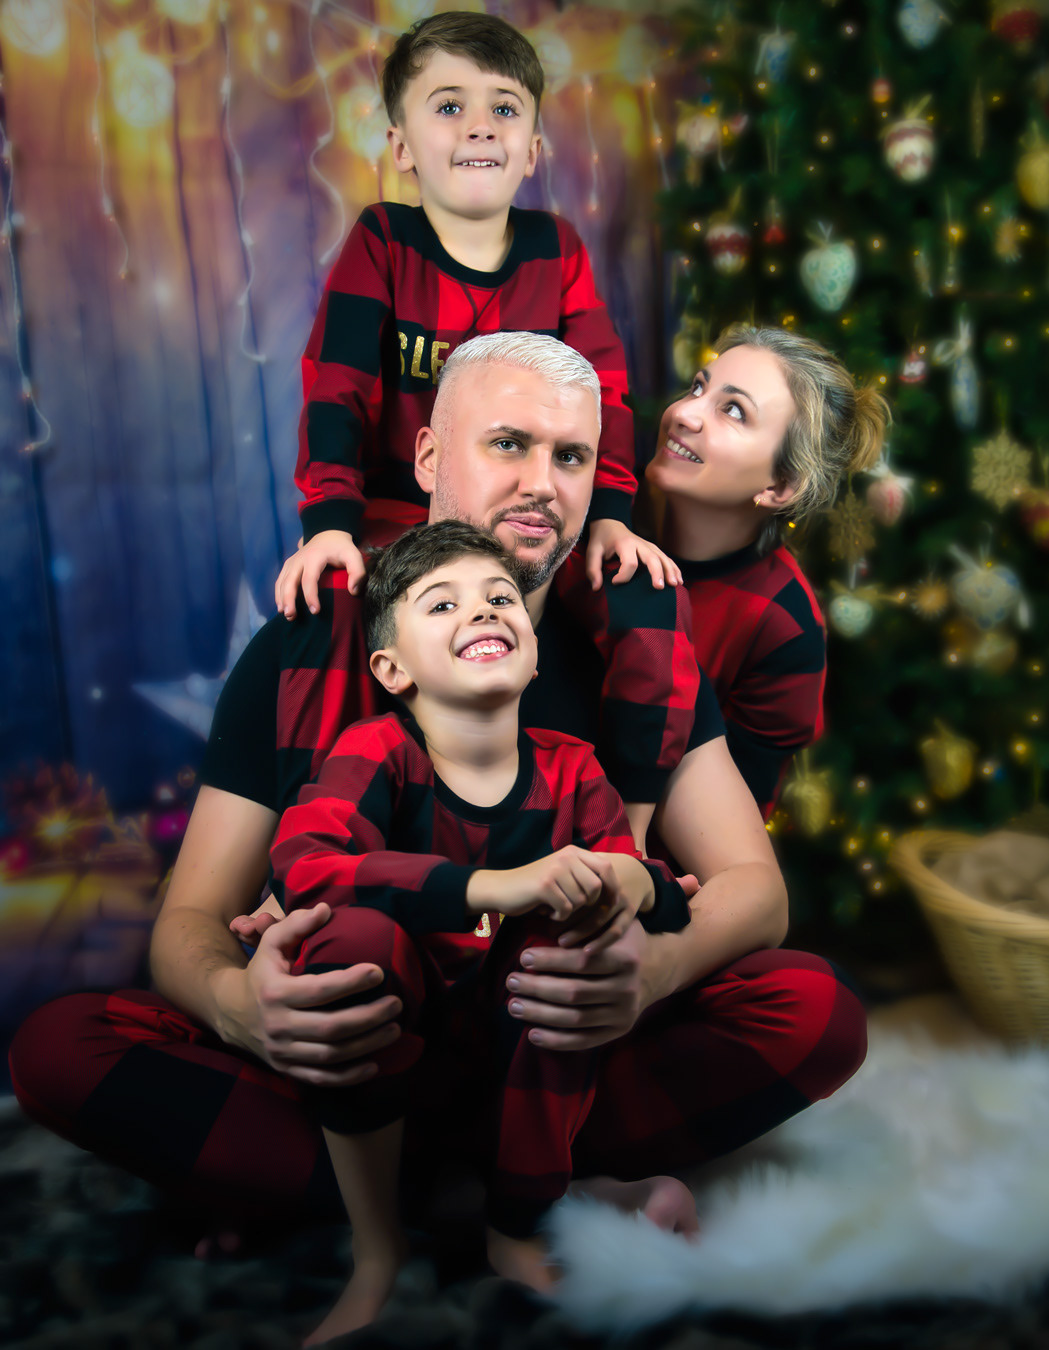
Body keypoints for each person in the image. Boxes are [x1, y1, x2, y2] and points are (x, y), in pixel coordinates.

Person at [8, 334, 865, 1293]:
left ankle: (366, 1191)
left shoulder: (636, 651)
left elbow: (755, 892)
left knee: (815, 1012)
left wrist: (653, 972)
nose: (541, 483)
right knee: (60, 1051)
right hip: (361, 1039)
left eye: (571, 456)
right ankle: (511, 1196)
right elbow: (189, 922)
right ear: (426, 458)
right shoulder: (318, 635)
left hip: (546, 1047)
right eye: (508, 444)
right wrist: (239, 1009)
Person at [273, 519, 694, 1342]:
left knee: (576, 932)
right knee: (349, 942)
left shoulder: (572, 766)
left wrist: (635, 880)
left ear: (533, 655)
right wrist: (489, 886)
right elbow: (307, 864)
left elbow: (645, 884)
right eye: (442, 604)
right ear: (391, 669)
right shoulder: (377, 751)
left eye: (502, 598)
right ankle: (377, 1251)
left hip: (529, 1064)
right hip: (396, 1060)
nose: (483, 611)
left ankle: (516, 1227)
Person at [276, 10, 677, 622]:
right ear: (402, 147)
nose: (481, 128)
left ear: (532, 152)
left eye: (505, 109)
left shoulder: (557, 249)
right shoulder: (384, 241)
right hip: (407, 511)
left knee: (638, 594)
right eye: (449, 107)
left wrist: (609, 516)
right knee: (336, 597)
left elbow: (605, 394)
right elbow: (337, 390)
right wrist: (329, 522)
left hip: (532, 515)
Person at [645, 324, 890, 818]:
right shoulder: (599, 506)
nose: (684, 413)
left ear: (779, 486)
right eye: (698, 387)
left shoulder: (783, 625)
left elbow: (726, 821)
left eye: (733, 410)